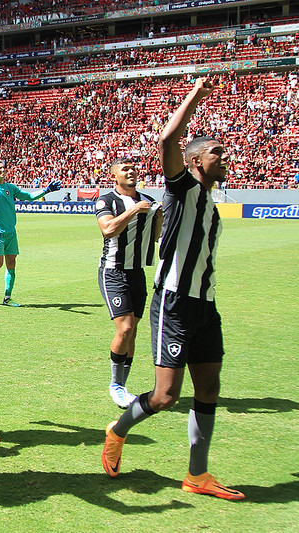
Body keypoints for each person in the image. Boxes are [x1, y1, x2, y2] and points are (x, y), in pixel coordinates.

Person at [101, 77, 245, 500]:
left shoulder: (210, 203)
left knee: (209, 388)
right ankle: (118, 428)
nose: (225, 157)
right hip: (175, 303)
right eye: (217, 152)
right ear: (196, 160)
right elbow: (167, 139)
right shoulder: (182, 189)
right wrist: (194, 97)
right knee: (165, 396)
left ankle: (197, 475)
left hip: (206, 304)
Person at [95, 158, 162, 408]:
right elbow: (108, 230)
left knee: (131, 331)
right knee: (124, 328)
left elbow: (155, 237)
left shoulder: (148, 201)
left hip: (137, 273)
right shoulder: (107, 201)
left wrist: (158, 217)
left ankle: (123, 385)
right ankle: (115, 385)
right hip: (113, 271)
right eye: (125, 169)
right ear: (115, 176)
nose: (131, 172)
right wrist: (134, 210)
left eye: (134, 168)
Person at [0, 161, 61, 306]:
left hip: (10, 231)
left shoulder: (10, 188)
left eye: (4, 167)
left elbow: (28, 196)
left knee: (11, 263)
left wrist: (46, 190)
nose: (3, 169)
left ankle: (7, 298)